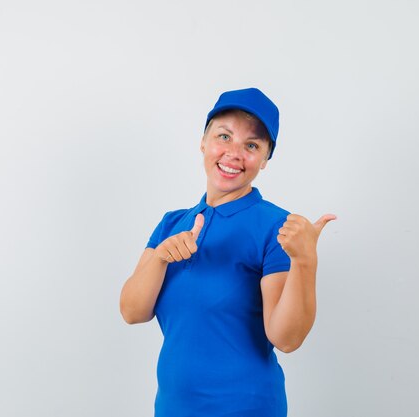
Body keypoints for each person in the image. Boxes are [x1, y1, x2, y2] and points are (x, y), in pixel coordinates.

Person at [120, 88, 336, 417]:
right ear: (203, 143)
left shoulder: (277, 226)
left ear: (264, 160)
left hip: (247, 407)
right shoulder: (172, 223)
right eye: (224, 136)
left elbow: (287, 338)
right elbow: (132, 312)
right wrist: (160, 257)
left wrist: (305, 260)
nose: (234, 153)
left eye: (251, 145)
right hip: (174, 408)